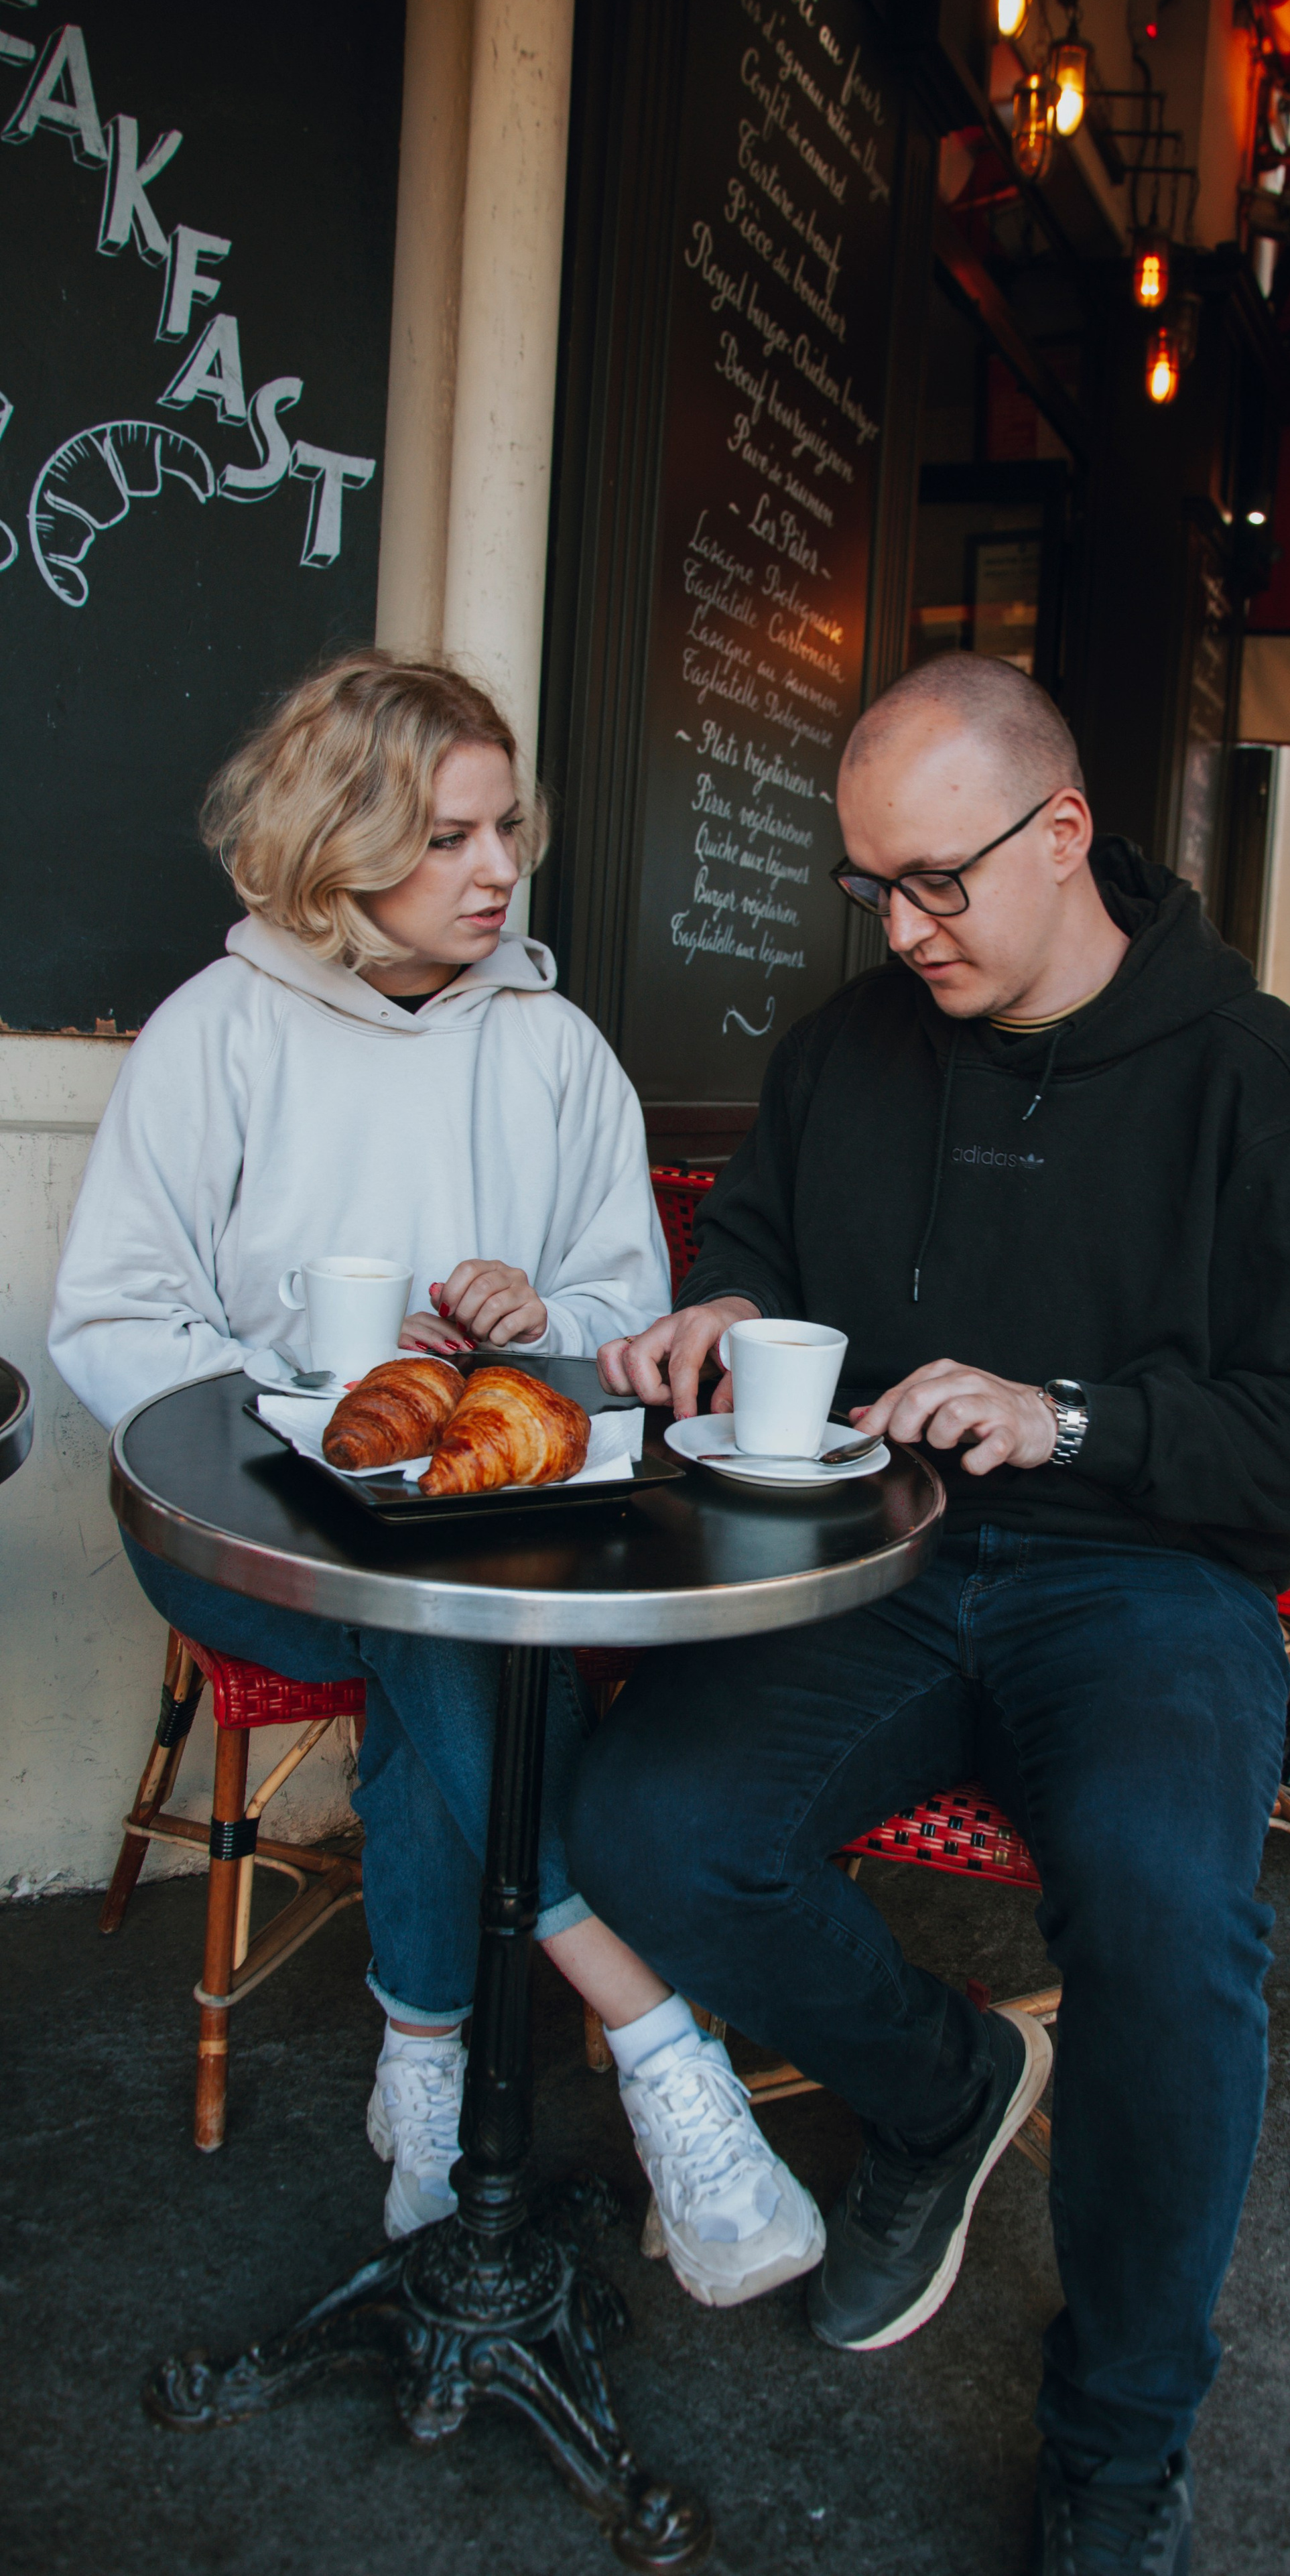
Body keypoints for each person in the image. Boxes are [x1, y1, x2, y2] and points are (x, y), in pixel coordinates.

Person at [575, 654, 1290, 2572]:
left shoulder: (1253, 1073)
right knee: (640, 1821)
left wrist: (1078, 1416)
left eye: (937, 881)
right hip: (877, 1552)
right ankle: (942, 2085)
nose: (901, 927)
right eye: (868, 884)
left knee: (1167, 1924)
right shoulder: (849, 1046)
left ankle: (1121, 2439)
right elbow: (766, 1239)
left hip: (1144, 1581)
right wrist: (720, 1305)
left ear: (1063, 837)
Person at [50, 651, 823, 2307]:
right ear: (337, 848)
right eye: (449, 838)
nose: (495, 871)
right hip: (242, 1535)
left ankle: (422, 2065)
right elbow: (111, 1316)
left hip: (484, 1534)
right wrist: (286, 1428)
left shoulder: (551, 1047)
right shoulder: (218, 1032)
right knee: (434, 1619)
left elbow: (625, 1316)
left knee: (438, 1625)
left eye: (503, 830)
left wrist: (542, 1318)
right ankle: (646, 2032)